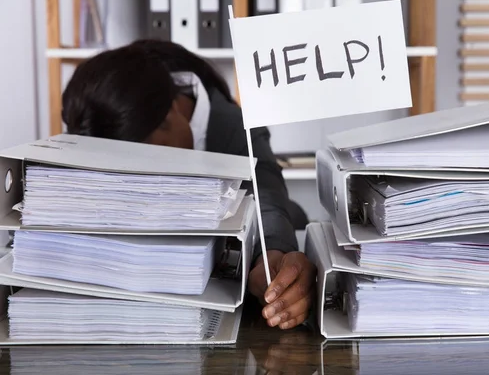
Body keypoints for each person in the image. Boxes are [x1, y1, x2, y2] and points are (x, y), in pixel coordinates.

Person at [61, 39, 316, 330]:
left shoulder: (236, 127)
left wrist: (273, 255)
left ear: (172, 112)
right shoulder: (109, 124)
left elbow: (266, 195)